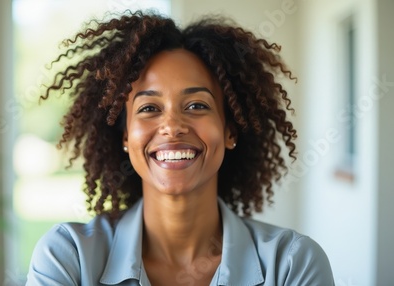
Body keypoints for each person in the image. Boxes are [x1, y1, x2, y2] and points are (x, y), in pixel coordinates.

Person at [26, 11, 334, 286]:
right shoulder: (69, 258)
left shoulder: (293, 265)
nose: (172, 126)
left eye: (197, 105)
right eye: (149, 108)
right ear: (124, 136)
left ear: (229, 130)